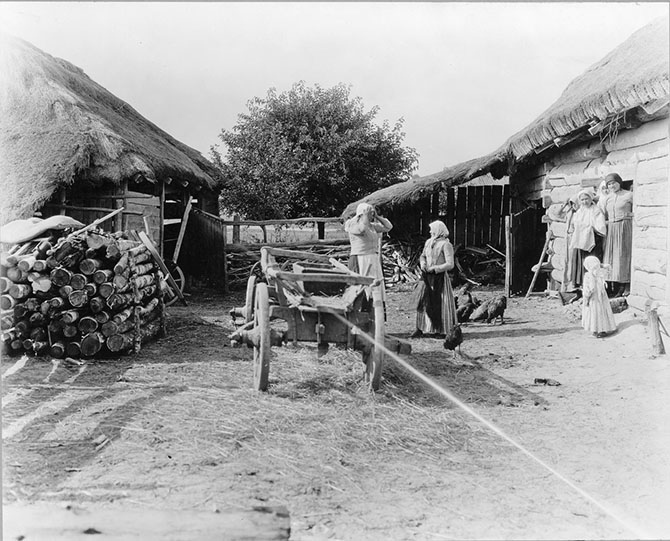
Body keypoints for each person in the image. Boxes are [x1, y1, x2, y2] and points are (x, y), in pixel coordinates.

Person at [411, 220, 457, 338]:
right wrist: (423, 263)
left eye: (432, 229)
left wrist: (435, 268)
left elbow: (450, 264)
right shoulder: (428, 242)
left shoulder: (446, 245)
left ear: (438, 230)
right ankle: (420, 328)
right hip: (427, 276)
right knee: (424, 301)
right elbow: (423, 256)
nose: (430, 231)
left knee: (440, 303)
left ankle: (441, 330)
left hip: (439, 277)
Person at [344, 202, 392, 301]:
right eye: (370, 213)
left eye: (372, 213)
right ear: (362, 214)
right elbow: (361, 230)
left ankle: (375, 306)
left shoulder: (372, 226)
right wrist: (365, 216)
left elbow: (388, 227)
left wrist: (377, 216)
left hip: (372, 258)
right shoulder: (352, 225)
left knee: (375, 284)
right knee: (362, 285)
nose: (371, 216)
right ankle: (363, 306)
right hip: (361, 258)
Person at [598, 173, 633, 297]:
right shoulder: (607, 198)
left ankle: (626, 285)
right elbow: (601, 214)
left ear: (619, 182)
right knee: (611, 256)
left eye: (614, 183)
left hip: (624, 227)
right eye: (609, 184)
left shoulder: (629, 195)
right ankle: (614, 286)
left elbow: (637, 210)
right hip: (611, 229)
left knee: (623, 255)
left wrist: (629, 216)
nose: (612, 186)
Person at [567, 189, 607, 291]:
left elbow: (600, 225)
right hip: (580, 239)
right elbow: (574, 224)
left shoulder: (596, 210)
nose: (585, 202)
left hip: (592, 239)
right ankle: (580, 284)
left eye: (586, 199)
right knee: (580, 260)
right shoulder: (580, 211)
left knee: (591, 261)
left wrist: (590, 228)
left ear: (590, 198)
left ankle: (593, 284)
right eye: (582, 200)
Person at [581, 255, 616, 338]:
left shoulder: (594, 276)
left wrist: (586, 297)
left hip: (597, 298)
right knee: (598, 313)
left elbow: (590, 289)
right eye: (596, 266)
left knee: (598, 313)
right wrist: (601, 265)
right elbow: (587, 289)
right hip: (597, 299)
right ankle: (599, 329)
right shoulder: (594, 276)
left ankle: (599, 329)